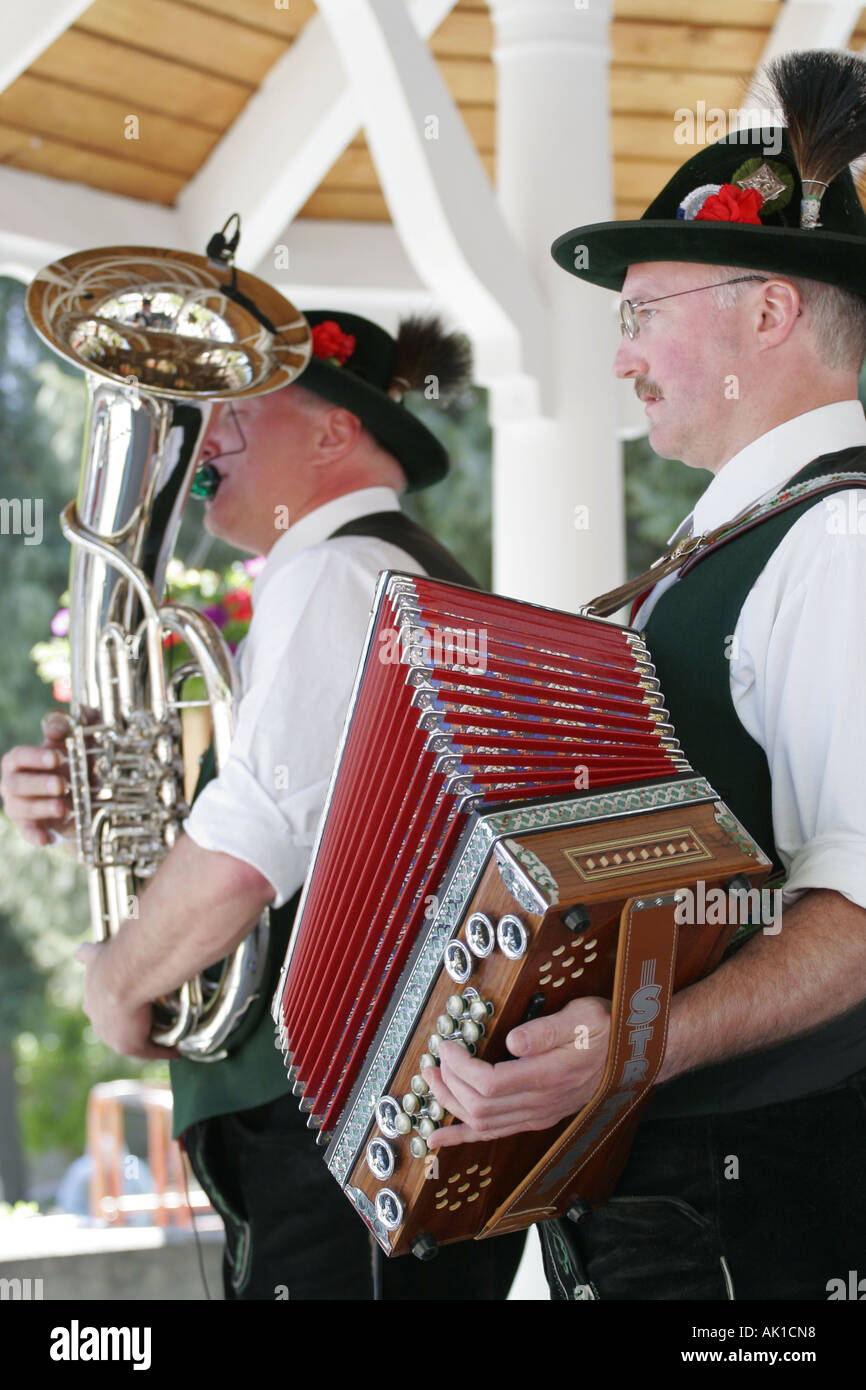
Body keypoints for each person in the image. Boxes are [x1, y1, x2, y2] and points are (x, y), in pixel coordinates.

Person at [424, 49, 866, 1301]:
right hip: (695, 1184)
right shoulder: (735, 544)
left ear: (764, 311)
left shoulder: (838, 535)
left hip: (770, 1196)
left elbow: (862, 902)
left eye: (639, 313)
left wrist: (627, 1045)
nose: (621, 359)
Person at [0, 308, 524, 1300]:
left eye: (239, 411)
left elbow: (250, 850)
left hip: (336, 1123)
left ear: (335, 433)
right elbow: (279, 836)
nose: (205, 437)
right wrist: (97, 805)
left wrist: (118, 978)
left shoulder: (333, 572)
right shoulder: (362, 568)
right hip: (361, 1127)